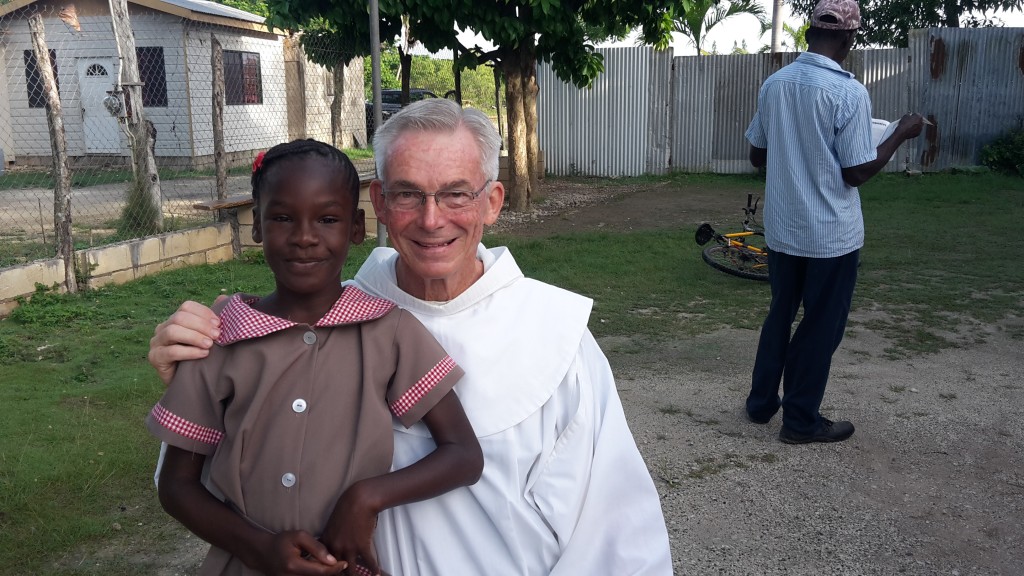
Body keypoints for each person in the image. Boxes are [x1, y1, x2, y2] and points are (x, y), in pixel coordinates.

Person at [149, 100, 673, 574]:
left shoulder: (556, 338)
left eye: (455, 194)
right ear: (377, 203)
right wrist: (190, 357)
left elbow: (612, 524)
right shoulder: (330, 313)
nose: (430, 219)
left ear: (492, 202)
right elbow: (219, 463)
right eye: (408, 194)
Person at [147, 139, 483, 576]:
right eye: (283, 218)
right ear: (258, 227)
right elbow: (176, 486)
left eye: (327, 219)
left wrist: (365, 498)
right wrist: (258, 548)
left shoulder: (388, 331)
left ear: (356, 228)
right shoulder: (219, 336)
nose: (305, 237)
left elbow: (463, 454)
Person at [743, 0, 924, 444]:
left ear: (807, 35)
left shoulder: (775, 85)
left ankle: (761, 404)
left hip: (785, 230)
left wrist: (796, 156)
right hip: (831, 237)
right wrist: (900, 132)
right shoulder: (849, 93)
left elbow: (756, 155)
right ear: (848, 38)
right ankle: (801, 421)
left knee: (779, 314)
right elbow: (856, 171)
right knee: (821, 325)